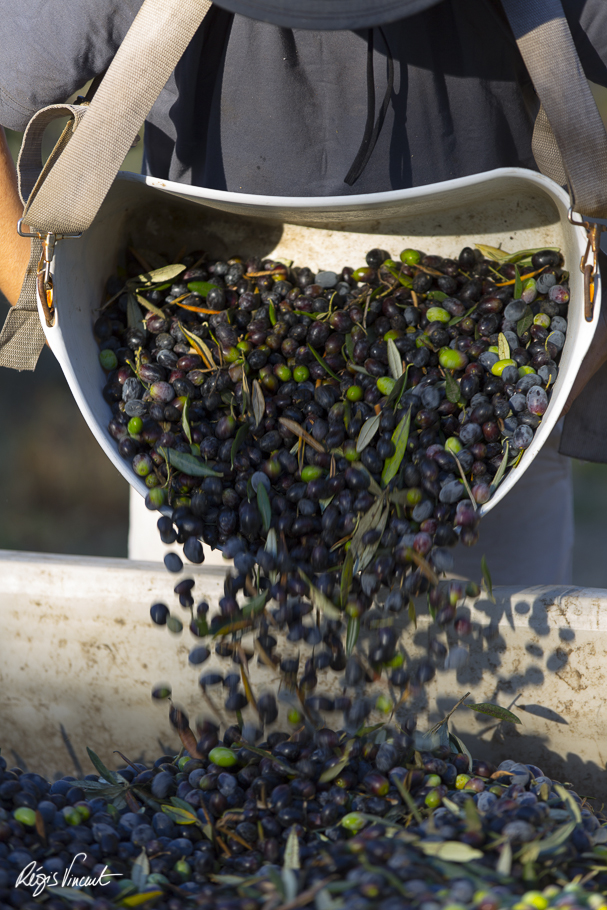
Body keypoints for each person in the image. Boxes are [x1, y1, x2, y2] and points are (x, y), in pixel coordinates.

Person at [1, 0, 607, 583]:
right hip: (210, 467)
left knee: (492, 685)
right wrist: (62, 314)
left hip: (491, 465)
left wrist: (582, 340)